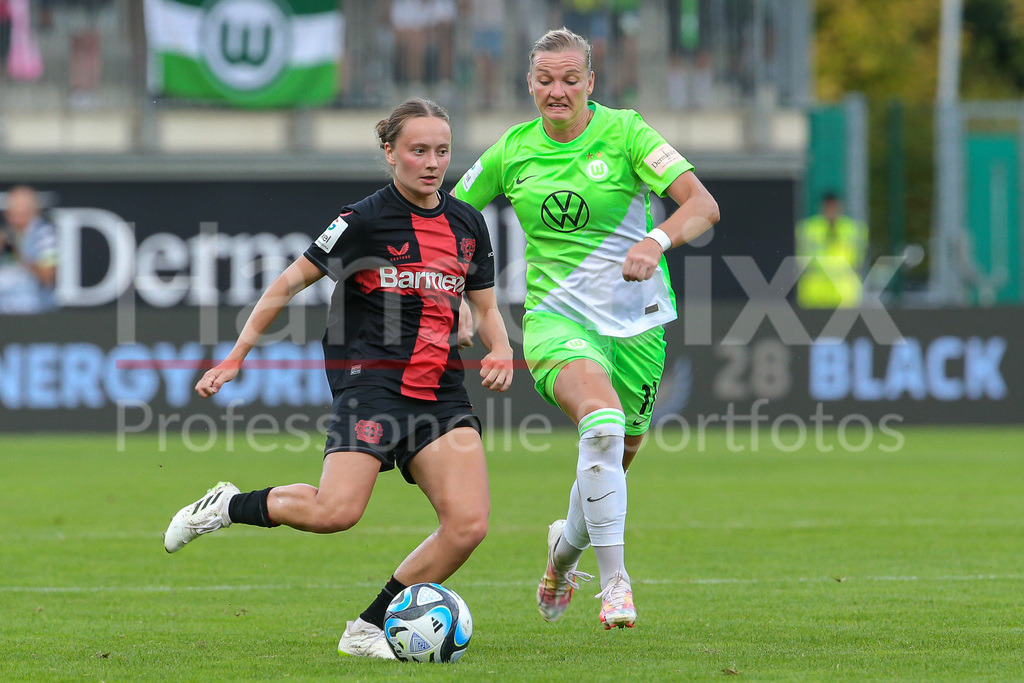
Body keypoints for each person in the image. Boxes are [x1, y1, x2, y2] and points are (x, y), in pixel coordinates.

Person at [163, 98, 514, 659]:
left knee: (467, 526)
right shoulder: (362, 221)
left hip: (442, 391)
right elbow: (284, 284)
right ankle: (228, 505)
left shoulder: (467, 223)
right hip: (371, 384)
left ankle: (368, 627)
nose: (431, 162)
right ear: (390, 152)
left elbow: (486, 307)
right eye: (418, 150)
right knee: (336, 513)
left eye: (441, 151)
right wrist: (234, 357)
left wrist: (498, 348)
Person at [454, 28, 719, 629]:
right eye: (545, 80)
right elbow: (451, 221)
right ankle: (616, 584)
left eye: (571, 79)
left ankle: (561, 555)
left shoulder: (627, 133)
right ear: (529, 84)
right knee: (599, 424)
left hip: (639, 328)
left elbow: (702, 205)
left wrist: (656, 239)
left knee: (610, 465)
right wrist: (464, 302)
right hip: (555, 322)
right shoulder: (510, 151)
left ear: (591, 83)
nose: (557, 91)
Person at [795, 191, 868, 308]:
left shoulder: (853, 229)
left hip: (845, 294)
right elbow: (801, 260)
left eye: (834, 207)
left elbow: (859, 260)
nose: (831, 211)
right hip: (814, 294)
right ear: (822, 208)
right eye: (828, 207)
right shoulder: (808, 228)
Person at [0, 184, 58, 314]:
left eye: (21, 213)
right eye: (11, 213)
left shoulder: (46, 236)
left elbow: (47, 277)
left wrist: (16, 250)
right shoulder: (4, 233)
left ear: (33, 211)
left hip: (33, 311)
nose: (15, 219)